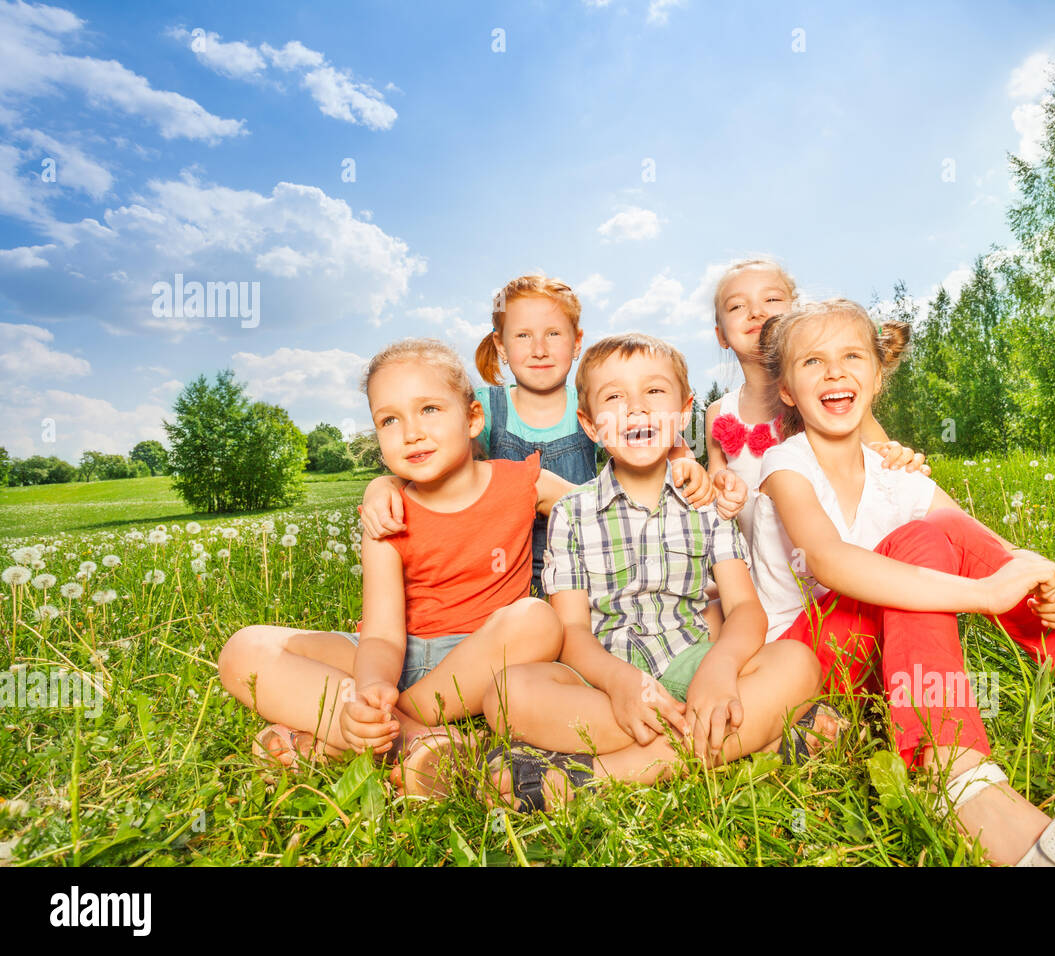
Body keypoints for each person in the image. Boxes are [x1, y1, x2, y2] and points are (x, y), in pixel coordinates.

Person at [750, 298, 1055, 866]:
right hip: (807, 663)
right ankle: (962, 783)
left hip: (883, 665)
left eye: (851, 356)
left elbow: (983, 548)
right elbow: (829, 560)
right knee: (922, 543)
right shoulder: (785, 464)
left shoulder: (897, 478)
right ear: (788, 392)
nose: (834, 372)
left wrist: (1050, 578)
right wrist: (983, 596)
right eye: (812, 363)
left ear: (876, 377)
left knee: (946, 528)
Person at [478, 333, 842, 811]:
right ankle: (751, 742)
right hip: (604, 686)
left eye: (654, 392)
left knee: (797, 663)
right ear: (589, 424)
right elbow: (571, 631)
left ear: (684, 411)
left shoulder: (706, 502)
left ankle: (596, 778)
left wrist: (720, 668)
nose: (636, 408)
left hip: (692, 665)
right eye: (614, 397)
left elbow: (744, 608)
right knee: (506, 695)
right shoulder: (571, 512)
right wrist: (622, 683)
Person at [218, 338, 570, 797]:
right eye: (389, 419)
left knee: (536, 619)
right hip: (393, 656)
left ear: (473, 418)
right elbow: (383, 634)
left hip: (477, 661)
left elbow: (605, 506)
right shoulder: (385, 513)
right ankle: (399, 735)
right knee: (243, 650)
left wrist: (682, 464)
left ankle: (356, 737)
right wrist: (371, 688)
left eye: (429, 409)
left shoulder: (523, 482)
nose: (411, 433)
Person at [357, 274, 735, 589]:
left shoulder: (597, 404)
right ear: (501, 347)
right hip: (503, 569)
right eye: (522, 336)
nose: (539, 349)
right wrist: (382, 486)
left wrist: (688, 467)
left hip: (590, 556)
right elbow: (434, 463)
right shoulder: (486, 408)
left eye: (553, 334)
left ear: (577, 343)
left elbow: (662, 440)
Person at [703, 257, 928, 543]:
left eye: (771, 299)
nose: (756, 312)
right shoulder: (719, 412)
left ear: (796, 314)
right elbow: (714, 485)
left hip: (844, 551)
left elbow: (880, 454)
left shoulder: (828, 399)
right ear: (721, 334)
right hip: (767, 568)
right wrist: (717, 488)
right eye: (737, 306)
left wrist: (897, 455)